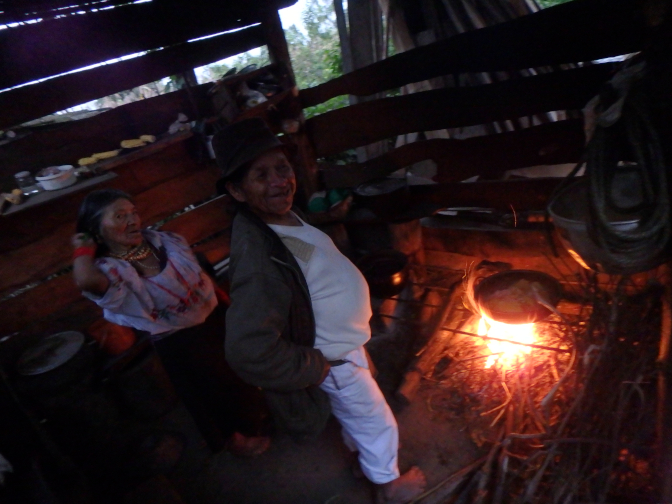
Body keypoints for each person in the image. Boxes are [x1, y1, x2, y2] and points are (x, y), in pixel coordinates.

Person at [212, 118, 427, 503]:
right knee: (375, 419)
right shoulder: (258, 257)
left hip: (344, 348)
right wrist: (315, 366)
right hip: (333, 358)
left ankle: (357, 445)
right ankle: (390, 484)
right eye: (261, 175)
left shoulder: (280, 219)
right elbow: (247, 350)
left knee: (356, 411)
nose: (279, 180)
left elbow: (307, 267)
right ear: (236, 190)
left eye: (282, 167)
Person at [71, 188, 270, 456]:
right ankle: (238, 438)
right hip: (180, 340)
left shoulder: (165, 242)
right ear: (97, 231)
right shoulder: (112, 270)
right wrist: (82, 246)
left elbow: (198, 276)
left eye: (133, 213)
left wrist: (221, 301)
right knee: (211, 390)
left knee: (240, 369)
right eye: (120, 216)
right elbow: (85, 280)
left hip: (213, 314)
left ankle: (257, 416)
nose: (132, 221)